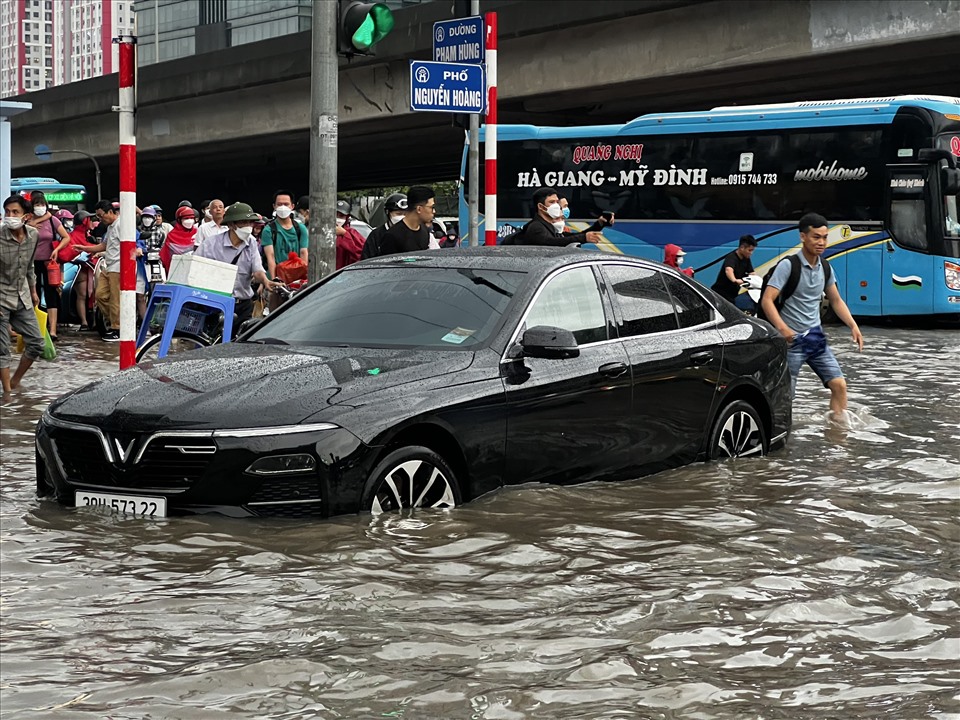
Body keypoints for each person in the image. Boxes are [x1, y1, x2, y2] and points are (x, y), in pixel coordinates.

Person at [760, 212, 864, 414]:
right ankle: (782, 439)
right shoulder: (788, 265)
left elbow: (835, 300)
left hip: (815, 338)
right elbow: (767, 300)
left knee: (840, 386)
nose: (821, 242)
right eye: (816, 237)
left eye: (825, 237)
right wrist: (783, 329)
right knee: (785, 398)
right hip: (791, 342)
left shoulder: (825, 267)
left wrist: (853, 325)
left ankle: (838, 437)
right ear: (803, 237)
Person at [194, 202, 278, 330]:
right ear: (232, 224)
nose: (248, 227)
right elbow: (196, 269)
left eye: (250, 223)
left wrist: (266, 281)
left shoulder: (251, 243)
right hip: (216, 305)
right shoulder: (211, 244)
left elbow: (257, 270)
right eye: (243, 222)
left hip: (243, 305)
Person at [1, 195, 45, 402]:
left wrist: (33, 290)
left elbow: (29, 266)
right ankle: (8, 396)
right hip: (1, 297)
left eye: (15, 212)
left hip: (22, 296)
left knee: (37, 342)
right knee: (3, 349)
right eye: (7, 212)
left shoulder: (33, 235)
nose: (10, 216)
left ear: (26, 216)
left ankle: (15, 381)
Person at [25, 191, 71, 340]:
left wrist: (57, 249)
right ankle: (36, 328)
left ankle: (52, 330)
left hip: (49, 263)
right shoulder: (27, 221)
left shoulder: (53, 221)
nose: (40, 207)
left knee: (52, 295)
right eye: (37, 204)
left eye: (42, 204)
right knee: (34, 294)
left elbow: (66, 237)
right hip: (31, 264)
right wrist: (30, 225)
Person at [504, 188, 606, 247]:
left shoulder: (549, 226)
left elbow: (570, 236)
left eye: (557, 202)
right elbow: (552, 242)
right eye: (552, 202)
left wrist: (599, 224)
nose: (557, 206)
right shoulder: (536, 227)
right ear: (541, 207)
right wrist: (583, 238)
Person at [261, 189, 308, 280]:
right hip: (278, 275)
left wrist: (304, 278)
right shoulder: (268, 230)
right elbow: (270, 257)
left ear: (292, 206)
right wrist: (274, 281)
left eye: (286, 204)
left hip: (297, 275)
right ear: (274, 206)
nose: (283, 207)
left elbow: (304, 253)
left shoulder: (300, 228)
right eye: (279, 204)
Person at [93, 200, 122, 341]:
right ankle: (116, 322)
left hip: (118, 266)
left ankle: (117, 328)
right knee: (100, 295)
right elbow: (104, 245)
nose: (100, 219)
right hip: (108, 265)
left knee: (115, 299)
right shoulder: (110, 227)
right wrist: (85, 248)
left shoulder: (121, 225)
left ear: (110, 212)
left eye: (101, 216)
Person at [378, 186, 436, 256]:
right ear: (419, 209)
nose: (434, 211)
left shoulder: (425, 231)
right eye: (431, 207)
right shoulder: (392, 236)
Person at [711, 234, 758, 310]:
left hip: (732, 295)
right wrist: (734, 280)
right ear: (742, 248)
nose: (751, 253)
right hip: (720, 294)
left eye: (752, 250)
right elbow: (729, 270)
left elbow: (751, 272)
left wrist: (757, 281)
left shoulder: (746, 259)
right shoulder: (731, 257)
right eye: (749, 250)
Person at [361, 192, 407, 259]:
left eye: (406, 214)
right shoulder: (376, 236)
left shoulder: (414, 233)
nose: (402, 217)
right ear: (387, 212)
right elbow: (366, 260)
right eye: (398, 214)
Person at [159, 206, 198, 273]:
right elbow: (166, 257)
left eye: (191, 218)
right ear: (179, 220)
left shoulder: (198, 233)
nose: (189, 221)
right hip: (176, 270)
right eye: (186, 218)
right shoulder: (172, 235)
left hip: (194, 269)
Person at [334, 199, 366, 269]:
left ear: (347, 217)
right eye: (336, 215)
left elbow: (360, 253)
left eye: (341, 216)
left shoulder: (352, 233)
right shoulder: (322, 232)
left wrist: (345, 234)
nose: (338, 219)